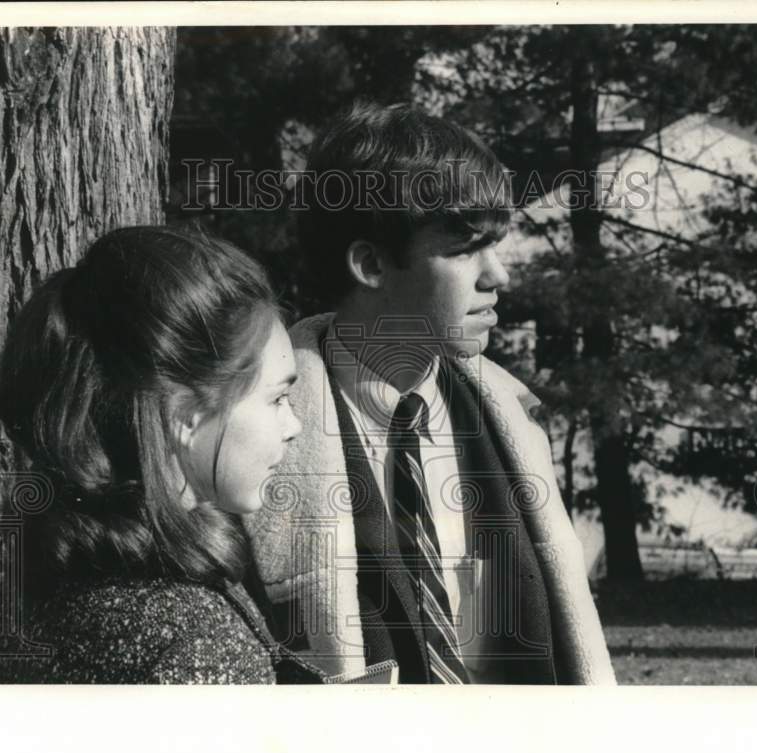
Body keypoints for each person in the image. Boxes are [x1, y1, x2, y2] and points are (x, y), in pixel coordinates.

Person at [244, 102, 617, 684]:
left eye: (495, 244)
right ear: (371, 264)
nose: (499, 275)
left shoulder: (516, 421)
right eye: (466, 247)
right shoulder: (252, 434)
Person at [0, 225, 323, 685]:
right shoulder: (195, 643)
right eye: (277, 399)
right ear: (186, 416)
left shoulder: (46, 577)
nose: (293, 426)